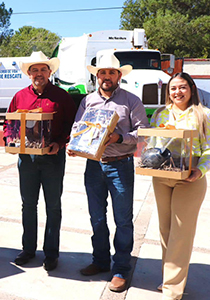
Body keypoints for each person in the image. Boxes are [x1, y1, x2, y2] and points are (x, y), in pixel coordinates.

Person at [67, 53, 149, 292]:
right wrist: (74, 144)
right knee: (97, 217)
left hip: (120, 165)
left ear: (119, 76)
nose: (106, 76)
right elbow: (77, 127)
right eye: (102, 73)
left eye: (111, 72)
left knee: (122, 219)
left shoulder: (131, 101)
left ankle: (121, 268)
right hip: (93, 165)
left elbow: (143, 131)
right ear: (97, 76)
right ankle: (100, 261)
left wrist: (120, 137)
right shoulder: (88, 101)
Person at [3, 51, 76, 271]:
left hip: (53, 158)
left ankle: (51, 253)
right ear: (29, 73)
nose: (38, 73)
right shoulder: (19, 97)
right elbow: (9, 123)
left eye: (43, 69)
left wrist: (60, 143)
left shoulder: (62, 96)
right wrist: (10, 140)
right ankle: (28, 249)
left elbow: (72, 126)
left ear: (50, 72)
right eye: (34, 70)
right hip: (27, 160)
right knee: (28, 205)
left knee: (53, 206)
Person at [150, 73, 210, 300]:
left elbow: (208, 149)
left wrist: (200, 170)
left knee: (181, 234)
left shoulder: (203, 115)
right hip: (162, 177)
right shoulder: (160, 114)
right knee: (165, 231)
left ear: (191, 88)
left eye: (182, 87)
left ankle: (172, 291)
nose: (177, 92)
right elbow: (153, 144)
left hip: (190, 180)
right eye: (173, 88)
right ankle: (169, 279)